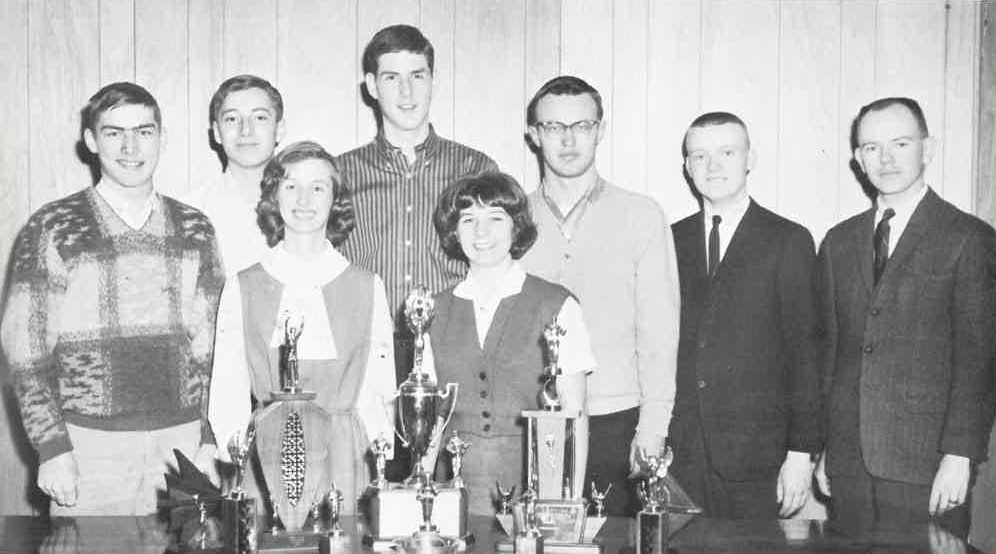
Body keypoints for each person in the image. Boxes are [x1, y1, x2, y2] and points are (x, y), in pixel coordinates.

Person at [0, 82, 224, 515]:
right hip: (88, 446)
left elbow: (207, 351)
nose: (130, 146)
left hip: (179, 444)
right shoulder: (52, 227)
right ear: (90, 140)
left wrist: (206, 438)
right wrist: (51, 447)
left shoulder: (196, 229)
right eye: (113, 132)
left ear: (161, 137)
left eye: (143, 131)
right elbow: (25, 350)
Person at [816, 97, 996, 537]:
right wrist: (825, 447)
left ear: (927, 149)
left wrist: (960, 456)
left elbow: (979, 361)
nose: (886, 159)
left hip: (927, 464)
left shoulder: (969, 239)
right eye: (872, 148)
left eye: (900, 143)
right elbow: (832, 355)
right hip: (850, 461)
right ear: (858, 159)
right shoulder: (839, 242)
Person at [335, 24, 498, 478]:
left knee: (451, 489)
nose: (406, 92)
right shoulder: (339, 174)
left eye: (418, 75)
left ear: (433, 80)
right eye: (391, 77)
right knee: (375, 494)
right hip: (369, 354)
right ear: (371, 86)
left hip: (455, 350)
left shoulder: (474, 168)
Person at [519, 75, 679, 516]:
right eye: (553, 127)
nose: (568, 140)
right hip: (532, 422)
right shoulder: (510, 220)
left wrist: (653, 429)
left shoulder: (641, 215)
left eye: (582, 126)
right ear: (534, 135)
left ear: (601, 130)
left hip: (619, 423)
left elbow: (660, 336)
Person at [207, 140, 396, 514]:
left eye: (318, 187)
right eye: (291, 186)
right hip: (268, 451)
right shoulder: (242, 285)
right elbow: (228, 388)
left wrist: (380, 462)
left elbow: (379, 384)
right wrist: (234, 463)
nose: (304, 199)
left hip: (345, 453)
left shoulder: (366, 284)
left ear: (335, 199)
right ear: (273, 196)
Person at [668, 111, 822, 518]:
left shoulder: (788, 240)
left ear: (750, 159)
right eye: (699, 156)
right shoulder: (669, 240)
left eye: (727, 152)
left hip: (758, 459)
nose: (713, 166)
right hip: (680, 455)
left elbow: (806, 355)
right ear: (687, 167)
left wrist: (800, 453)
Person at [423, 172, 596, 515]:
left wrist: (568, 506)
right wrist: (422, 497)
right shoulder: (432, 310)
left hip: (533, 488)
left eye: (495, 218)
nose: (481, 232)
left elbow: (574, 415)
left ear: (516, 228)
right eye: (468, 219)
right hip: (453, 493)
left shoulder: (558, 305)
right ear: (454, 231)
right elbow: (429, 422)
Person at [184, 74, 286, 275]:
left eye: (260, 118)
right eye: (232, 119)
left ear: (279, 129)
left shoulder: (305, 206)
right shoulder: (189, 213)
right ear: (216, 132)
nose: (246, 130)